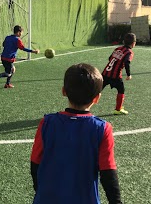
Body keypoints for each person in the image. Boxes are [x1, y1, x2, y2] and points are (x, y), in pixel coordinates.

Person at [30, 63, 123, 204]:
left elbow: (35, 163)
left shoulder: (47, 122)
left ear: (63, 91)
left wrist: (40, 190)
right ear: (97, 98)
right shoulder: (102, 128)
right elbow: (108, 173)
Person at [102, 33, 136, 115]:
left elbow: (110, 58)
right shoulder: (129, 52)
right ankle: (118, 109)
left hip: (105, 73)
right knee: (121, 90)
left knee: (96, 90)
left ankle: (82, 104)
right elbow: (127, 62)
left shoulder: (118, 48)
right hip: (115, 76)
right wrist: (128, 74)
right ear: (133, 43)